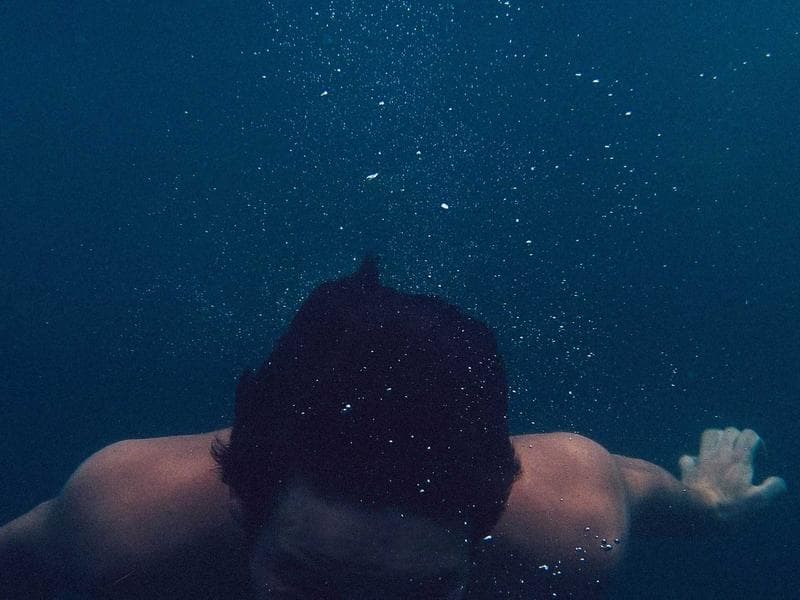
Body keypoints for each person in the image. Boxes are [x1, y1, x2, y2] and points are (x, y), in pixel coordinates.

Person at [0, 260, 786, 599]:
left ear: (486, 525)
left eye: (417, 594)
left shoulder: (569, 525)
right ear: (242, 502)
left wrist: (710, 504)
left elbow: (645, 491)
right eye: (307, 587)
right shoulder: (129, 525)